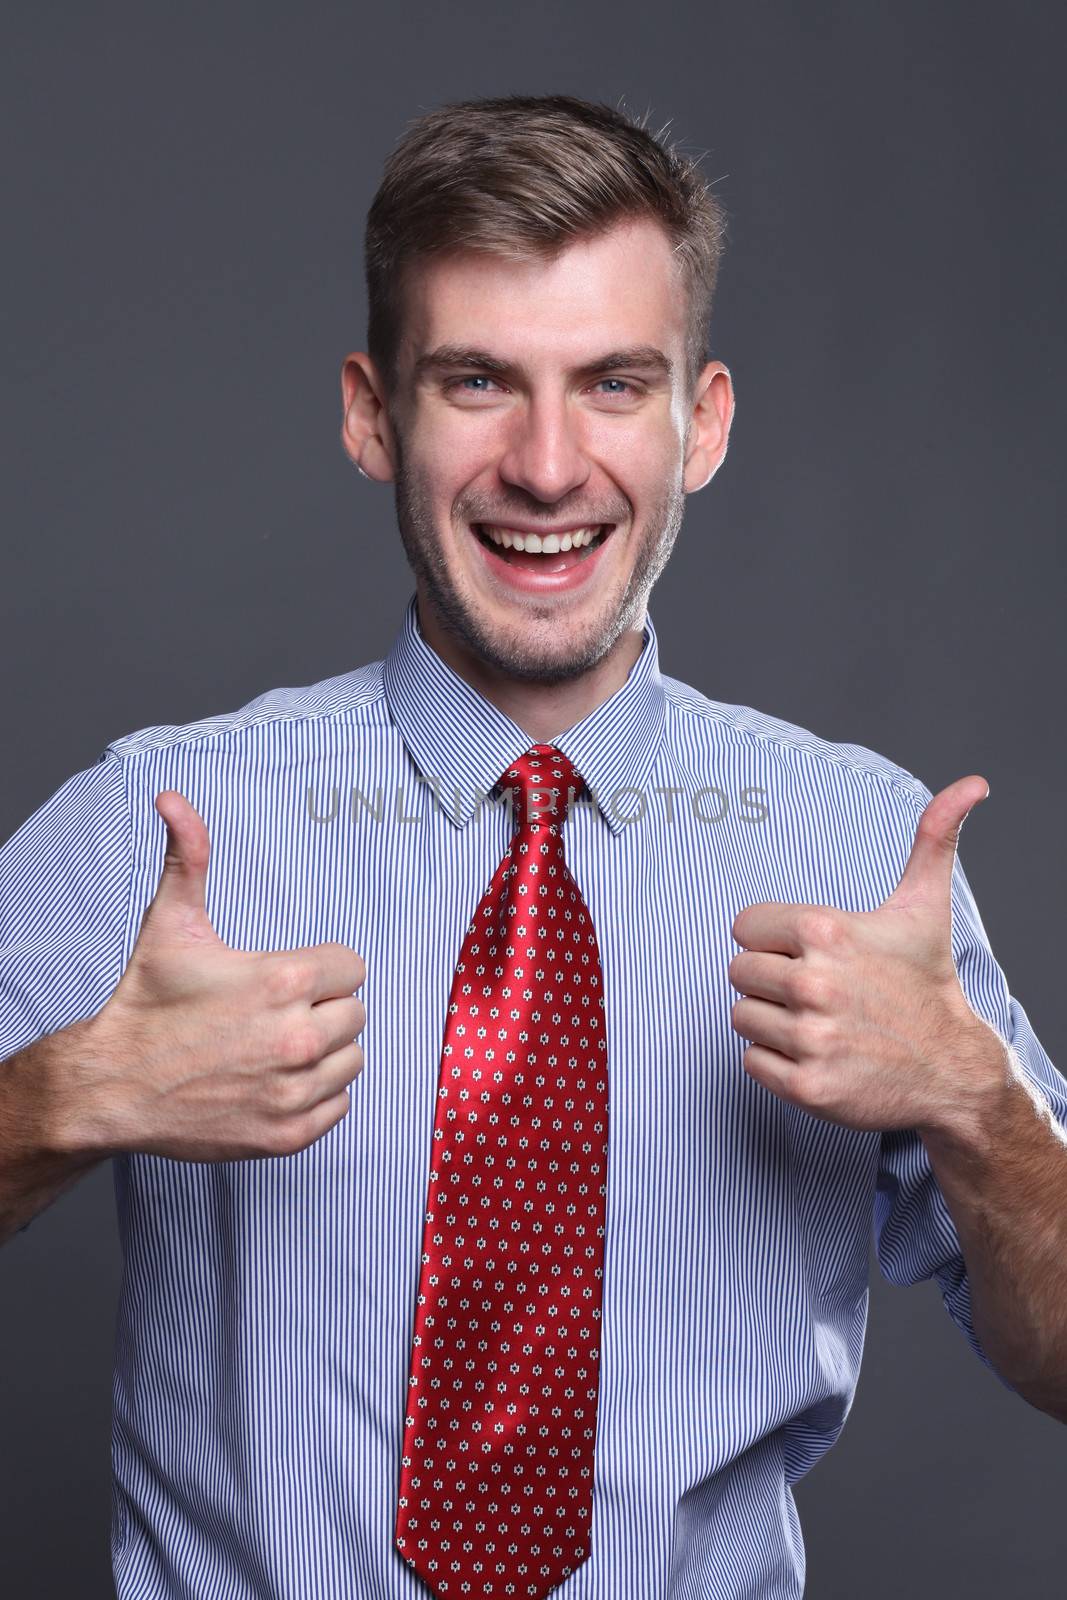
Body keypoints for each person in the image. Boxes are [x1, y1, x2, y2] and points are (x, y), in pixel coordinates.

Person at [1, 92, 1064, 1600]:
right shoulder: (158, 826)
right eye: (480, 383)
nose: (550, 467)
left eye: (615, 384)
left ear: (701, 423)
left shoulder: (860, 851)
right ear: (374, 415)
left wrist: (976, 1102)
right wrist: (56, 1098)